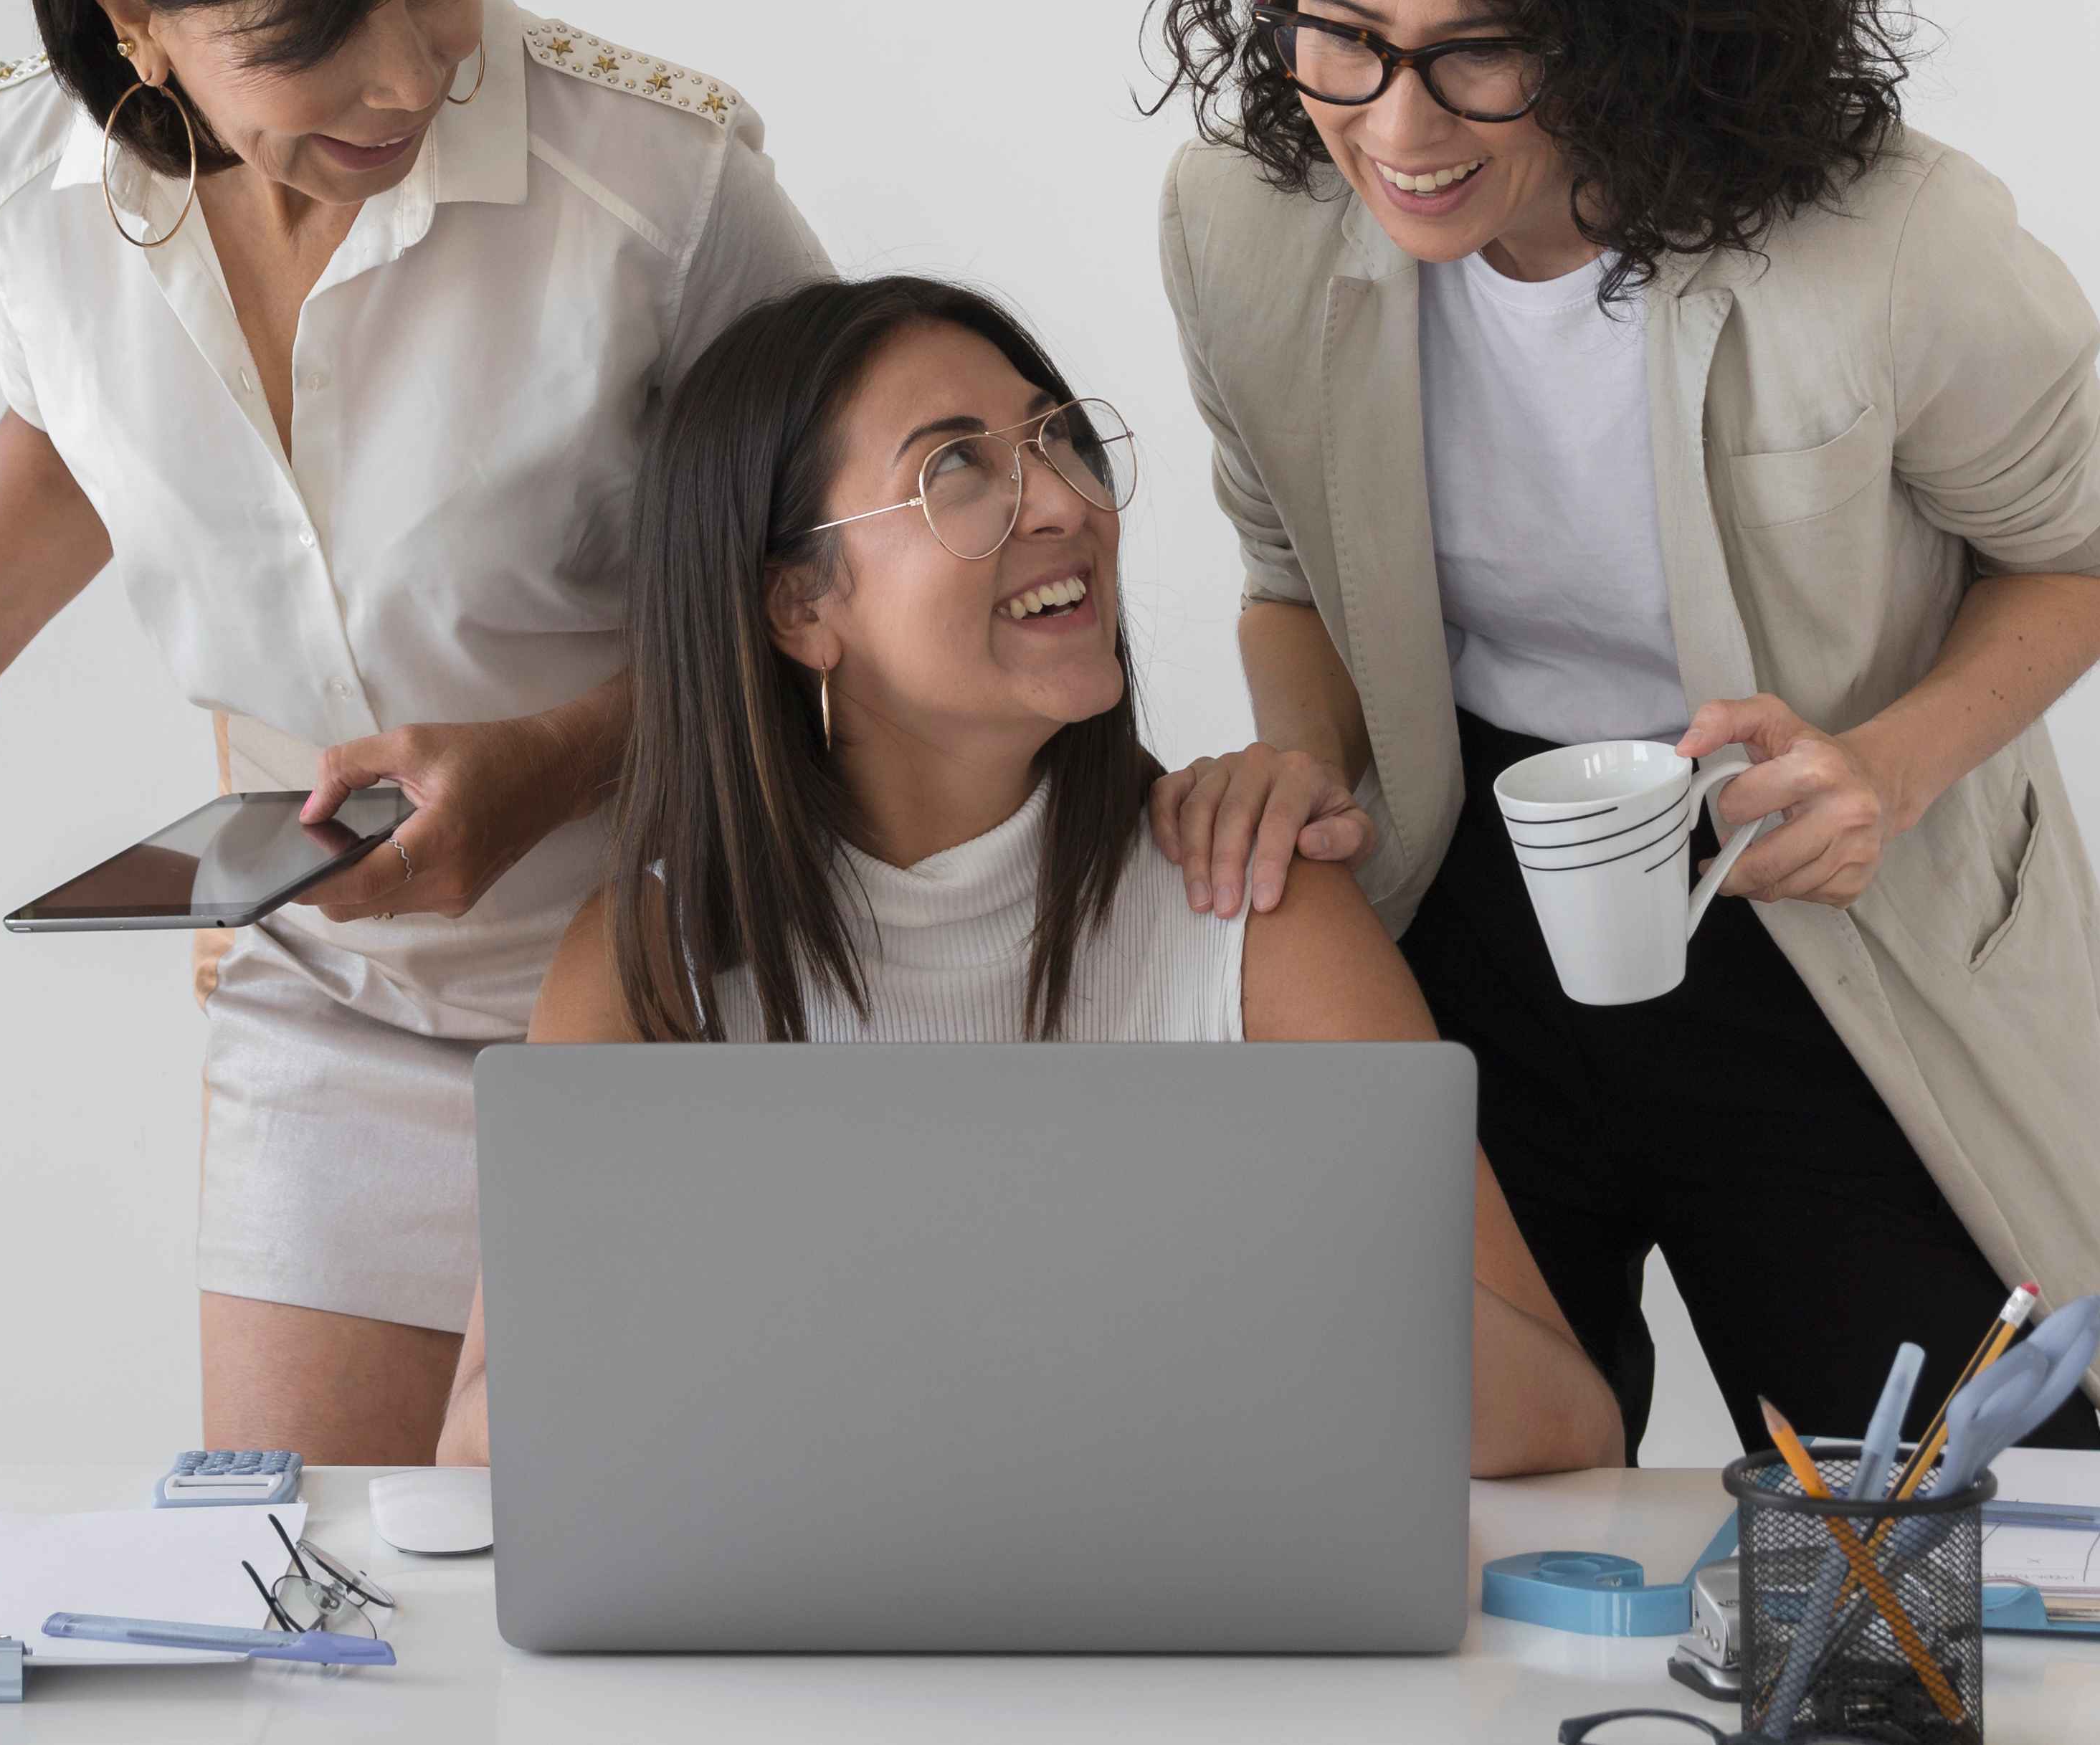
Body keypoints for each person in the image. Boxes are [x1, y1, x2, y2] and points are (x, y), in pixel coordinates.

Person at [0, 0, 828, 1460]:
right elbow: (88, 427)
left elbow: (842, 578)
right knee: (300, 1603)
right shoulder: (26, 175)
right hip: (317, 993)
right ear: (132, 22)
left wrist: (555, 757)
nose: (402, 80)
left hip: (670, 970)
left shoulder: (655, 188)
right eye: (300, 40)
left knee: (616, 1607)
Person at [1144, 0, 2100, 1457]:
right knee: (1435, 1508)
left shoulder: (1886, 251)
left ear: (1627, 22)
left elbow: (2084, 549)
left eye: (1478, 55)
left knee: (1943, 1537)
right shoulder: (1245, 221)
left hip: (1808, 911)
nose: (1394, 127)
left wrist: (1883, 766)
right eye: (1339, 38)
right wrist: (1301, 765)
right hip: (1461, 888)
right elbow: (1289, 573)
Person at [434, 278, 1621, 1478]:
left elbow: (1564, 1425)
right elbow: (482, 1448)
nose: (1063, 499)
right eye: (956, 469)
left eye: (1058, 440)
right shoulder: (651, 959)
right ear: (799, 603)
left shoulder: (1255, 908)